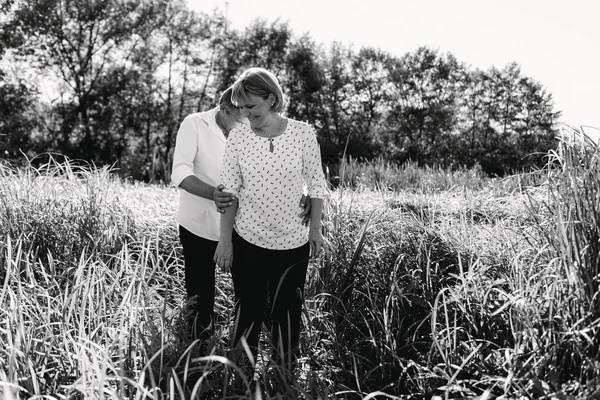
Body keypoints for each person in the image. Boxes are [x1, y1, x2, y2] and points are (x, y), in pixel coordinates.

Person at [171, 87, 311, 342]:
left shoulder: (257, 129)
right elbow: (179, 171)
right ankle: (199, 349)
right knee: (200, 294)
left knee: (250, 296)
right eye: (242, 115)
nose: (248, 121)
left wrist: (301, 193)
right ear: (225, 110)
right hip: (198, 226)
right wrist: (212, 193)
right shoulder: (195, 124)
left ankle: (246, 351)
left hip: (243, 228)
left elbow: (278, 169)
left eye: (250, 113)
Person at [213, 67, 328, 377]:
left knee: (287, 315)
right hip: (247, 239)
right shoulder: (238, 136)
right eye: (241, 108)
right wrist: (225, 240)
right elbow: (229, 191)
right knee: (246, 313)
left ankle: (284, 379)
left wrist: (315, 228)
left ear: (272, 99)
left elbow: (316, 184)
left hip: (292, 243)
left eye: (252, 107)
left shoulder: (302, 133)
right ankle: (240, 381)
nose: (246, 115)